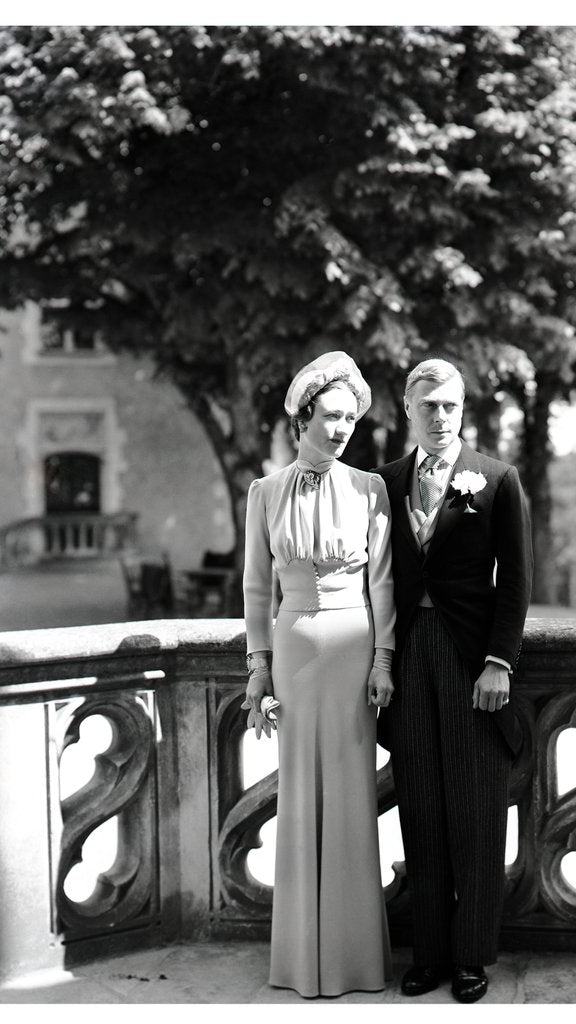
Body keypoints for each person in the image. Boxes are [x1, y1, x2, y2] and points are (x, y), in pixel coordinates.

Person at [375, 358, 533, 1003]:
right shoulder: (382, 484)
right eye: (427, 406)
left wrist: (499, 662)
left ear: (462, 410)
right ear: (406, 411)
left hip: (472, 661)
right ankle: (429, 954)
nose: (439, 417)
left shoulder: (497, 481)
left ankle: (471, 957)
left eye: (449, 406)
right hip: (407, 655)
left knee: (474, 810)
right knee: (421, 806)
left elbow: (517, 584)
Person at [242, 351, 396, 998]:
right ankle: (302, 959)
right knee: (298, 794)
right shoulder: (264, 492)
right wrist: (258, 668)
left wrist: (385, 659)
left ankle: (354, 960)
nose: (340, 429)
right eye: (330, 416)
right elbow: (255, 589)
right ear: (304, 415)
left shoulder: (370, 488)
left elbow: (382, 580)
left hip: (354, 645)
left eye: (350, 420)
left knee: (352, 798)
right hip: (294, 651)